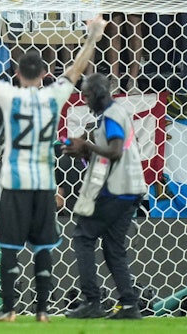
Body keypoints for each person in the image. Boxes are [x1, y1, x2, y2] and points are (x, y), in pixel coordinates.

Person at [0, 15, 106, 322]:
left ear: (16, 73)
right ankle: (42, 311)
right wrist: (92, 36)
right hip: (43, 184)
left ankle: (10, 309)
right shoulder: (54, 96)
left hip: (14, 183)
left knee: (9, 247)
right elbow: (76, 69)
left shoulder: (8, 95)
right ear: (44, 73)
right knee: (43, 247)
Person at [63, 74, 146, 320]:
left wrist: (86, 146)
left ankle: (91, 301)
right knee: (113, 247)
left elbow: (115, 151)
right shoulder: (116, 114)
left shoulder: (111, 116)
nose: (85, 100)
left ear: (100, 94)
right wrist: (86, 151)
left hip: (118, 190)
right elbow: (110, 153)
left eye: (87, 95)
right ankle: (129, 305)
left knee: (82, 237)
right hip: (131, 188)